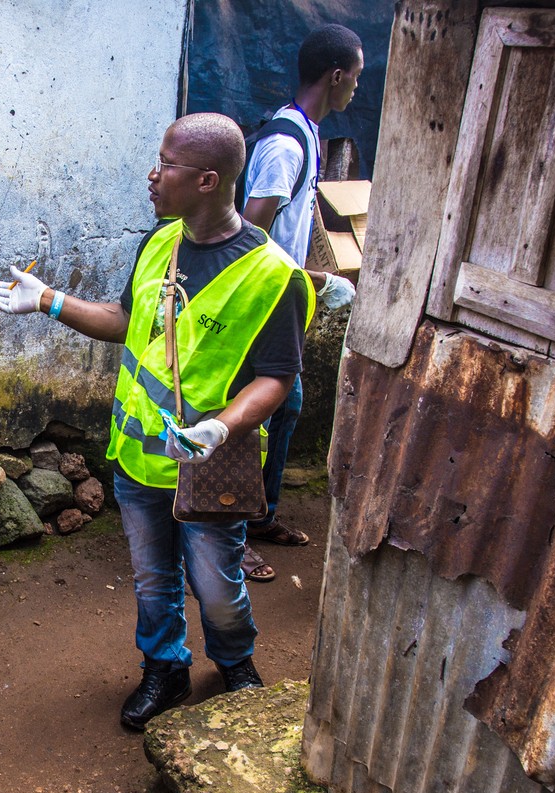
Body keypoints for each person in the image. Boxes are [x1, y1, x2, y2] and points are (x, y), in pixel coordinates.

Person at [0, 113, 314, 730]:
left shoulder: (275, 278)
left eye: (166, 164)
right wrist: (49, 301)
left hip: (213, 464)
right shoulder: (159, 241)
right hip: (138, 460)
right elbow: (125, 320)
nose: (152, 175)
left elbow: (277, 379)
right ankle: (164, 669)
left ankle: (234, 663)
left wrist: (219, 428)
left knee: (216, 583)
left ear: (209, 179)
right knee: (153, 578)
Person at [237, 23, 363, 582]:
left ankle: (259, 517)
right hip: (258, 303)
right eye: (355, 78)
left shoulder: (307, 135)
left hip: (282, 298)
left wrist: (308, 276)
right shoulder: (285, 145)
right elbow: (249, 232)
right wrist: (289, 282)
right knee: (253, 417)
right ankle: (231, 532)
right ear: (336, 76)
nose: (356, 89)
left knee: (286, 408)